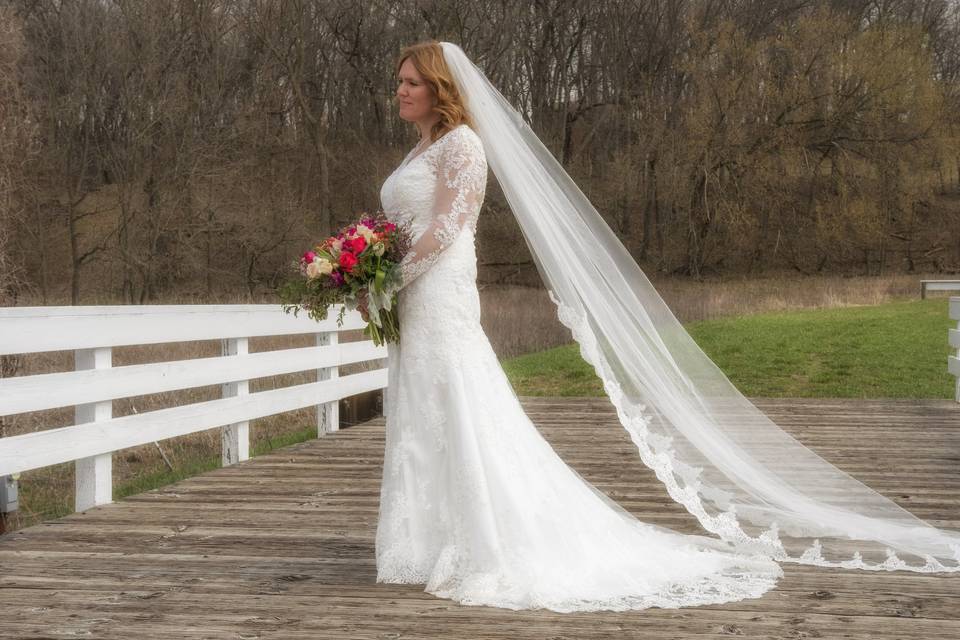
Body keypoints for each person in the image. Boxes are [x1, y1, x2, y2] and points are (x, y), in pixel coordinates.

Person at [372, 40, 960, 612]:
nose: (400, 90)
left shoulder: (463, 145)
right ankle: (424, 541)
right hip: (415, 297)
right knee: (423, 404)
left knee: (458, 401)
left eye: (411, 82)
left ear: (439, 89)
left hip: (440, 290)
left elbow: (448, 227)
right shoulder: (416, 152)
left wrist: (386, 279)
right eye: (399, 81)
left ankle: (487, 538)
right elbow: (405, 223)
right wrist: (362, 266)